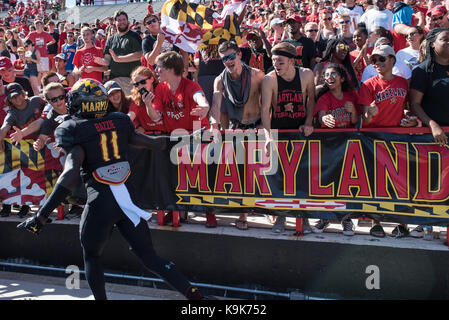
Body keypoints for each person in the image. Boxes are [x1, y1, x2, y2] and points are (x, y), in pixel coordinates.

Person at [17, 78, 212, 301]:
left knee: (91, 255)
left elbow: (70, 174)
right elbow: (155, 143)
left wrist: (42, 216)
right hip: (128, 200)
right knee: (149, 256)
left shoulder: (72, 128)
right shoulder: (119, 121)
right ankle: (195, 295)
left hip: (100, 202)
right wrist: (188, 139)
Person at [358, 44, 417, 237]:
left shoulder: (402, 83)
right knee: (376, 183)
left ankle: (402, 223)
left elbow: (408, 109)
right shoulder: (368, 85)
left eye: (381, 59)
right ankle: (376, 223)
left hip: (397, 139)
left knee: (400, 183)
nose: (376, 63)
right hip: (373, 140)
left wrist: (410, 119)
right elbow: (365, 117)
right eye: (374, 60)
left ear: (392, 60)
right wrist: (370, 113)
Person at [260, 41, 316, 234]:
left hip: (300, 132)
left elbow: (311, 100)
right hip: (280, 132)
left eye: (280, 62)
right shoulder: (270, 79)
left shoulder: (307, 74)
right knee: (282, 178)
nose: (276, 65)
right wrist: (268, 136)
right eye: (274, 60)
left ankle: (304, 219)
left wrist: (309, 122)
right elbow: (265, 109)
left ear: (292, 61)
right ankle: (281, 217)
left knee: (303, 178)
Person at [311, 63, 359, 235]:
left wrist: (353, 111)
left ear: (342, 78)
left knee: (345, 185)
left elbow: (354, 121)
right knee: (327, 183)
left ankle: (346, 220)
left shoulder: (351, 96)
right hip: (329, 146)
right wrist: (325, 119)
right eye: (326, 75)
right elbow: (322, 116)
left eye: (333, 74)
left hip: (348, 147)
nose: (329, 77)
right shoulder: (324, 98)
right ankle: (324, 218)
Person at [0, 82, 46, 218]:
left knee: (46, 177)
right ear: (9, 100)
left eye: (19, 95)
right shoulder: (12, 113)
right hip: (27, 148)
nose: (18, 99)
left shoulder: (37, 101)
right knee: (26, 177)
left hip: (45, 143)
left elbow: (51, 111)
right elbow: (3, 129)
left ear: (24, 93)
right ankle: (25, 206)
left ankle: (44, 209)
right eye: (13, 97)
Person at [97, 10, 143, 95]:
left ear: (127, 21)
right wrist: (100, 61)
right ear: (115, 22)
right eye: (119, 20)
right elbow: (107, 60)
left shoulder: (134, 36)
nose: (122, 22)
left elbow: (138, 54)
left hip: (131, 79)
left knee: (131, 106)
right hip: (114, 80)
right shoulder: (110, 39)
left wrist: (119, 59)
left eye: (124, 19)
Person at [128, 66, 165, 134]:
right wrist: (137, 126)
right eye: (136, 84)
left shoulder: (162, 91)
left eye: (142, 82)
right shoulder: (137, 97)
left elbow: (156, 118)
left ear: (152, 79)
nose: (140, 86)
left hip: (166, 134)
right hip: (148, 136)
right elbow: (130, 116)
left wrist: (148, 104)